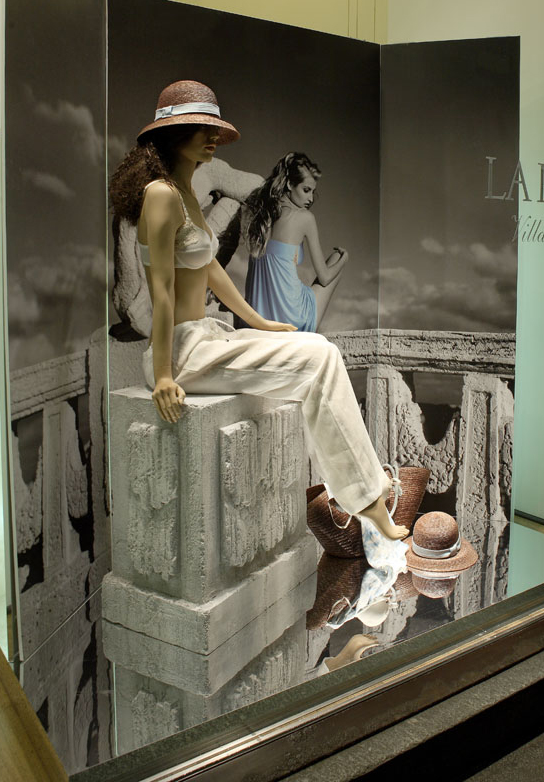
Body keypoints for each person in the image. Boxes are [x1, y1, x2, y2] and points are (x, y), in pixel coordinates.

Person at [109, 79, 408, 542]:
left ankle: (363, 494)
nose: (213, 137)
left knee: (315, 346)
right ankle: (369, 499)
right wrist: (164, 375)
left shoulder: (183, 192)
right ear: (173, 134)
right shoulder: (161, 195)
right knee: (320, 357)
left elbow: (209, 267)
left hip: (206, 335)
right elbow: (162, 292)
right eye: (202, 128)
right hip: (183, 354)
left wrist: (259, 322)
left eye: (215, 129)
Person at [241, 152, 348, 331]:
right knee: (337, 257)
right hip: (292, 320)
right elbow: (325, 277)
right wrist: (345, 258)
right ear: (290, 184)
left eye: (313, 192)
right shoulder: (305, 218)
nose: (311, 199)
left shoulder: (258, 216)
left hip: (257, 319)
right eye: (306, 190)